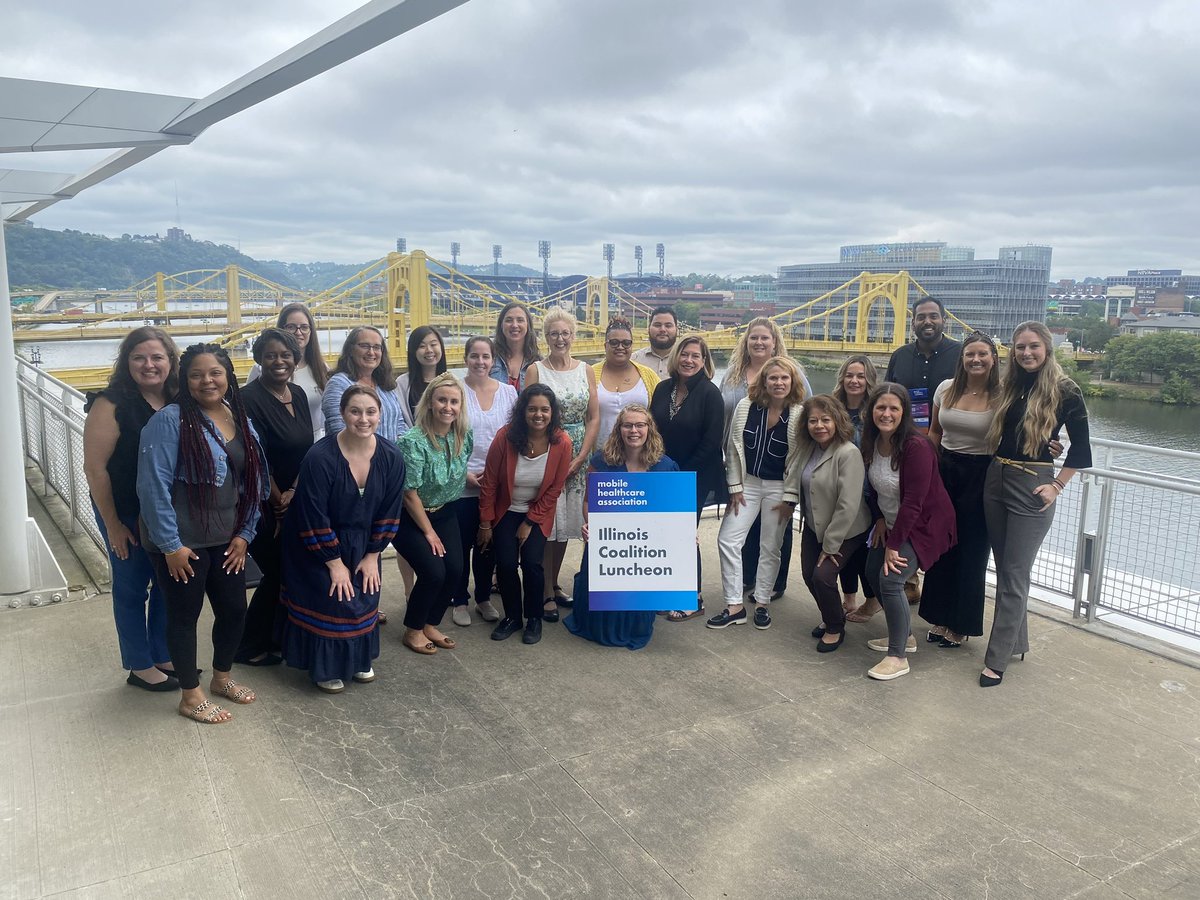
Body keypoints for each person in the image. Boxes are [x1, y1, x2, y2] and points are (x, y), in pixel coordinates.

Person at [137, 343, 270, 723]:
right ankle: (190, 695)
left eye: (215, 372)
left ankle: (221, 678)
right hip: (182, 541)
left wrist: (245, 534)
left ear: (228, 376)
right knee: (184, 616)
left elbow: (255, 480)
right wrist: (170, 546)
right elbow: (152, 487)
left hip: (227, 537)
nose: (206, 380)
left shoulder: (236, 414)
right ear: (184, 379)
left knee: (233, 610)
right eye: (196, 374)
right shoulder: (170, 420)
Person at [979, 321, 1091, 687]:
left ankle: (996, 659)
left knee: (1014, 574)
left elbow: (1082, 449)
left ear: (1047, 348)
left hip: (1032, 485)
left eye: (1033, 346)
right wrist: (1047, 441)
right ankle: (1017, 642)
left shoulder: (1066, 390)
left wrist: (1056, 485)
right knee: (1006, 569)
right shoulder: (1010, 385)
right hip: (996, 477)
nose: (1026, 353)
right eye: (1019, 347)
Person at [280, 385, 405, 692]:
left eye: (370, 412)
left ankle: (359, 661)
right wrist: (334, 563)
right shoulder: (320, 457)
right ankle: (325, 668)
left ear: (380, 414)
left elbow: (390, 509)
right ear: (342, 413)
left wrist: (373, 555)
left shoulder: (391, 457)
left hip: (364, 543)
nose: (363, 419)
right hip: (316, 544)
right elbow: (312, 515)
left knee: (365, 594)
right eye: (355, 411)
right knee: (335, 598)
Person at [83, 326, 180, 691]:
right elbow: (95, 468)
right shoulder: (111, 403)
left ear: (171, 360)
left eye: (157, 357)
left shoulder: (178, 397)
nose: (149, 364)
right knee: (131, 586)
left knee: (169, 583)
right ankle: (139, 665)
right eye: (139, 357)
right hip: (124, 510)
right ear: (127, 362)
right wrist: (113, 525)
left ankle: (162, 654)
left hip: (166, 511)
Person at [860, 383, 956, 682]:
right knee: (872, 568)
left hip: (924, 525)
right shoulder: (872, 442)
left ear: (904, 412)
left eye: (893, 408)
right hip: (891, 522)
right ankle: (907, 637)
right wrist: (878, 519)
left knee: (891, 579)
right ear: (871, 410)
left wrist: (895, 544)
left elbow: (914, 501)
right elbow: (874, 488)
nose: (886, 414)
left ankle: (898, 655)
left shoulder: (917, 446)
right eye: (880, 407)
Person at [565, 404, 676, 650]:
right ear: (619, 429)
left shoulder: (665, 466)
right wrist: (589, 524)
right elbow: (587, 503)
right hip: (610, 545)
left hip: (644, 549)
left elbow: (673, 513)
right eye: (628, 425)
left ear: (649, 429)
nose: (634, 430)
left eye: (640, 425)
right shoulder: (601, 462)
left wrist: (684, 534)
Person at [708, 357, 805, 632]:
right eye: (772, 378)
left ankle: (762, 603)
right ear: (763, 381)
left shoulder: (799, 413)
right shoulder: (746, 407)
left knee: (770, 546)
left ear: (792, 381)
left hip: (779, 487)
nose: (778, 383)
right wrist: (735, 487)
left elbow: (800, 459)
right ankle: (734, 605)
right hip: (748, 484)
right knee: (728, 539)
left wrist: (790, 498)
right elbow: (732, 446)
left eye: (784, 378)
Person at [236, 327, 314, 666]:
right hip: (262, 503)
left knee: (291, 572)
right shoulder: (247, 399)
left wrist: (295, 490)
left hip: (296, 498)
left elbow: (306, 448)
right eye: (270, 355)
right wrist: (279, 500)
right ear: (259, 360)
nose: (279, 361)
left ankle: (275, 636)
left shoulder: (296, 393)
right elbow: (254, 457)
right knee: (277, 573)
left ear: (295, 360)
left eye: (285, 355)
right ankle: (247, 646)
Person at [719, 317, 810, 602]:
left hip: (779, 481)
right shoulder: (733, 375)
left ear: (774, 342)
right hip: (744, 471)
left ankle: (768, 591)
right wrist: (733, 479)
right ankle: (744, 585)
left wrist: (792, 493)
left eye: (765, 338)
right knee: (737, 536)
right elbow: (729, 428)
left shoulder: (793, 377)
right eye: (753, 338)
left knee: (773, 540)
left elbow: (806, 436)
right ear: (746, 342)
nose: (759, 343)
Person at [919, 333, 1000, 649]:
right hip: (946, 471)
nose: (976, 359)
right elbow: (935, 431)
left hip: (982, 475)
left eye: (983, 354)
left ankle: (961, 624)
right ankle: (938, 615)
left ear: (993, 358)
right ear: (962, 358)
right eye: (970, 354)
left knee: (973, 552)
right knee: (942, 547)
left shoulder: (1003, 396)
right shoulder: (945, 388)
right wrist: (927, 469)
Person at [478, 384, 573, 645]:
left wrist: (530, 521)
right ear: (523, 411)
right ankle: (512, 617)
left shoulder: (562, 442)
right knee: (507, 564)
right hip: (505, 510)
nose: (538, 415)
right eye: (532, 409)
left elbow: (555, 488)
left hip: (537, 511)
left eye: (544, 409)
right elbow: (489, 483)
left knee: (532, 563)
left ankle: (534, 618)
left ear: (552, 413)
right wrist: (486, 523)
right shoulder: (505, 437)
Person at [883, 296, 961, 604]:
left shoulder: (960, 355)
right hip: (906, 452)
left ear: (944, 320)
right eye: (920, 317)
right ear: (912, 322)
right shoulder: (900, 356)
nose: (927, 322)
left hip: (951, 453)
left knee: (939, 518)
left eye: (933, 316)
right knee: (906, 509)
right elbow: (884, 398)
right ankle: (909, 583)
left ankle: (938, 593)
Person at [525, 308, 598, 619]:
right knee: (547, 522)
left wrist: (581, 456)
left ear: (573, 335)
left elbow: (593, 417)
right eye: (554, 333)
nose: (560, 338)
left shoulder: (587, 370)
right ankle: (542, 591)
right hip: (547, 450)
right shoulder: (535, 370)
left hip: (579, 454)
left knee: (566, 521)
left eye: (565, 333)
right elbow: (527, 414)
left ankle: (554, 584)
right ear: (546, 337)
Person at [395, 373, 473, 655]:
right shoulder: (413, 441)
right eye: (442, 400)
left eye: (454, 401)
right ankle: (413, 629)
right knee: (433, 572)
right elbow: (409, 493)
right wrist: (428, 532)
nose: (448, 407)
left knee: (455, 570)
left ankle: (430, 623)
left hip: (446, 510)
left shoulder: (463, 435)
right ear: (429, 403)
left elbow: (457, 469)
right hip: (411, 516)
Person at [648, 335, 724, 621]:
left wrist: (680, 475)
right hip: (661, 471)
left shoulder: (709, 393)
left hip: (695, 475)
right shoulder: (662, 388)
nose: (689, 360)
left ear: (704, 362)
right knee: (662, 533)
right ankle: (669, 591)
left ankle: (694, 597)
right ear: (676, 357)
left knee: (683, 534)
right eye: (685, 354)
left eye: (696, 356)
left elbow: (711, 442)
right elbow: (651, 431)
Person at [796, 395, 873, 653]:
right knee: (808, 575)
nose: (819, 426)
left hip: (846, 529)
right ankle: (833, 615)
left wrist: (830, 545)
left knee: (823, 576)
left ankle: (834, 628)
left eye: (825, 420)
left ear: (837, 421)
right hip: (813, 525)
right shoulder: (809, 449)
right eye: (813, 420)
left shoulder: (848, 453)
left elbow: (848, 505)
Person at [449, 336, 515, 626]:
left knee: (488, 545)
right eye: (474, 356)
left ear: (493, 360)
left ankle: (483, 598)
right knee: (461, 545)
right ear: (466, 358)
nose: (480, 362)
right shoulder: (455, 391)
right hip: (463, 481)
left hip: (497, 483)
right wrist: (462, 472)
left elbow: (515, 437)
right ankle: (459, 599)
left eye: (485, 356)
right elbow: (444, 434)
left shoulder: (509, 393)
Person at [833, 354, 881, 624]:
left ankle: (872, 601)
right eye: (850, 375)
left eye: (860, 376)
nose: (854, 381)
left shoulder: (875, 411)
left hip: (868, 490)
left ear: (868, 380)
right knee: (842, 545)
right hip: (839, 488)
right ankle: (848, 596)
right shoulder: (833, 407)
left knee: (865, 549)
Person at [247, 302, 329, 440]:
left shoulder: (321, 369)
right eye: (291, 327)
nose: (298, 332)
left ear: (311, 331)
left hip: (316, 443)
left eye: (304, 327)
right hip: (276, 447)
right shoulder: (261, 369)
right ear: (281, 329)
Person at [322, 326, 406, 442]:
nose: (371, 352)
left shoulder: (385, 385)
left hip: (390, 458)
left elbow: (400, 424)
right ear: (351, 350)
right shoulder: (338, 384)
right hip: (355, 457)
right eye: (364, 346)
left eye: (377, 347)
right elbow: (337, 428)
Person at [593, 317, 660, 448]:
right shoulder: (589, 373)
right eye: (614, 342)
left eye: (626, 343)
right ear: (605, 345)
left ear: (631, 345)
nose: (620, 347)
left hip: (640, 457)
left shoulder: (648, 375)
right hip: (600, 455)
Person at [396, 325, 447, 426]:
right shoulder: (402, 384)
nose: (429, 350)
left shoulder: (451, 381)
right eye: (422, 346)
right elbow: (399, 419)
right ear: (413, 351)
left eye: (433, 344)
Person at [490, 302, 541, 391]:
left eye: (520, 320)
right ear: (501, 325)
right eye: (509, 320)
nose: (514, 325)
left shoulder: (538, 364)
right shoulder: (488, 359)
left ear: (528, 325)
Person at [630, 306, 678, 379]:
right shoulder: (633, 361)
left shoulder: (688, 362)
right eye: (657, 325)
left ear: (676, 329)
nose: (662, 329)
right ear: (648, 328)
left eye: (668, 325)